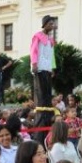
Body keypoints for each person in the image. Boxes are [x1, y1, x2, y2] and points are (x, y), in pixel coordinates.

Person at [30, 15, 57, 143]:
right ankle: (41, 113)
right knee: (40, 94)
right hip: (39, 67)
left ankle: (48, 111)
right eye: (50, 24)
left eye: (53, 24)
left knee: (47, 94)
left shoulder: (50, 40)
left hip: (47, 68)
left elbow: (52, 55)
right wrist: (34, 63)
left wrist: (52, 67)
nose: (52, 26)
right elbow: (33, 50)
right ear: (45, 24)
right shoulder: (38, 36)